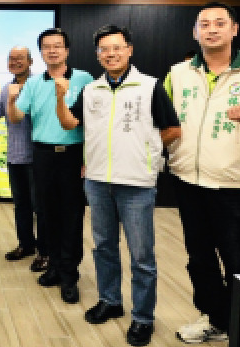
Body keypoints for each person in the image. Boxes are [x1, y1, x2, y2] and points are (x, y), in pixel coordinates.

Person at [164, 1, 240, 343]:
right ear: (195, 32)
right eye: (204, 24)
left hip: (235, 184)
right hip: (187, 179)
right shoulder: (178, 73)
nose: (212, 29)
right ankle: (215, 318)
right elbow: (164, 119)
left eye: (219, 23)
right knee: (199, 258)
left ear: (234, 29)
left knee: (239, 258)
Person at [57, 25, 180, 346]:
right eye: (104, 49)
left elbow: (172, 129)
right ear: (98, 54)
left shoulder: (150, 86)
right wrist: (59, 96)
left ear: (129, 50)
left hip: (137, 184)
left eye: (117, 48)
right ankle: (110, 300)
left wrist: (147, 153)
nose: (110, 54)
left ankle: (143, 318)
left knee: (141, 256)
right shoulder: (91, 90)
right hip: (97, 181)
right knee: (104, 247)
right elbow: (70, 123)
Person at [6, 27, 93, 304]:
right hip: (42, 155)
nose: (52, 50)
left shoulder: (84, 79)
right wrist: (11, 99)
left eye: (57, 46)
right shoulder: (33, 84)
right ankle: (54, 265)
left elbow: (93, 121)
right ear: (41, 52)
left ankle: (69, 275)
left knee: (71, 215)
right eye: (47, 47)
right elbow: (16, 117)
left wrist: (87, 158)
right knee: (46, 214)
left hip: (72, 155)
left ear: (67, 50)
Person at [0, 46, 48, 270]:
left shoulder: (39, 85)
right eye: (11, 58)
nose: (15, 62)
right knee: (21, 205)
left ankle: (45, 252)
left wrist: (16, 99)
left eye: (20, 58)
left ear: (30, 61)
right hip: (15, 155)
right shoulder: (7, 88)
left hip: (36, 157)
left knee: (40, 207)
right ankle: (26, 245)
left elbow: (30, 116)